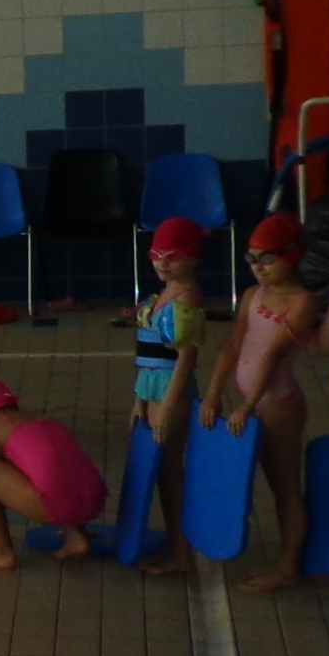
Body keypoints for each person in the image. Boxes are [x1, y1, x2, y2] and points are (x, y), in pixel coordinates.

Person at [205, 212, 321, 594]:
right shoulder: (253, 296)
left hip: (280, 403)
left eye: (267, 258)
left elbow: (272, 358)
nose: (258, 267)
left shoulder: (303, 302)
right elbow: (232, 346)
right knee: (270, 487)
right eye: (252, 258)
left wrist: (248, 405)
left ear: (292, 256)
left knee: (285, 488)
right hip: (254, 404)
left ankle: (289, 569)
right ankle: (287, 561)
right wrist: (213, 395)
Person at [0, 375, 108, 572]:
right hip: (95, 499)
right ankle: (76, 534)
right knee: (51, 474)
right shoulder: (44, 421)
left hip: (57, 504)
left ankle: (1, 553)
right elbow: (63, 472)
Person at [130, 219, 209, 574]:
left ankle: (182, 552)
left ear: (193, 259)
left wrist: (168, 407)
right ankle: (177, 545)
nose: (162, 263)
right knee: (164, 472)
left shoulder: (187, 297)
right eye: (156, 255)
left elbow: (186, 359)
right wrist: (139, 399)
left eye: (172, 256)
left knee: (171, 473)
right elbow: (146, 355)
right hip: (152, 389)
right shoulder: (161, 295)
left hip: (171, 391)